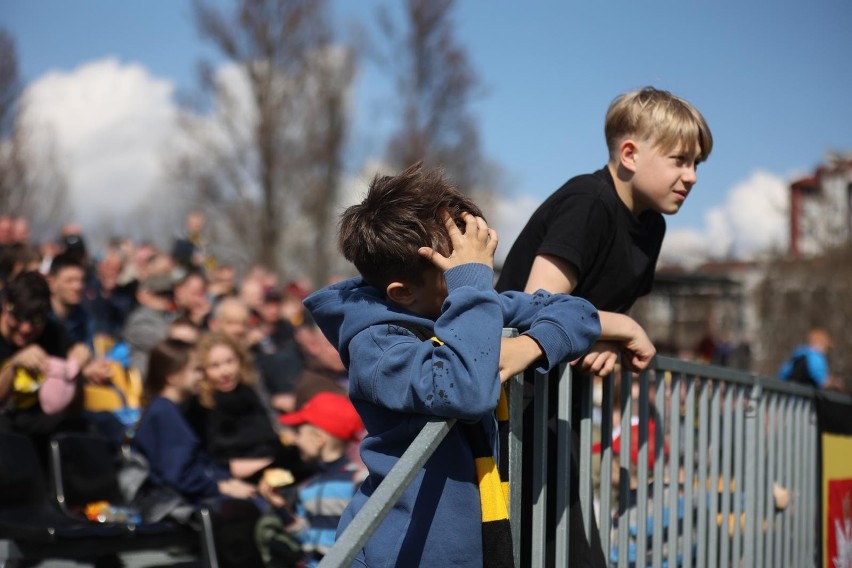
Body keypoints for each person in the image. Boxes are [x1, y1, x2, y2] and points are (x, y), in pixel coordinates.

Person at [305, 162, 654, 567]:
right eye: (455, 276)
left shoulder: (463, 306)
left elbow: (573, 311)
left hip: (473, 542)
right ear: (401, 293)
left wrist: (530, 346)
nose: (477, 285)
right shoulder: (377, 348)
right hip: (405, 550)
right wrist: (469, 284)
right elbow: (464, 389)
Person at [495, 86, 712, 566]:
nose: (692, 176)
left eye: (697, 164)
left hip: (556, 403)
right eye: (680, 160)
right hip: (512, 406)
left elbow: (598, 318)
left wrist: (609, 337)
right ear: (630, 154)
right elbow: (536, 306)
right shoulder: (588, 201)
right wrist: (622, 328)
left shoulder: (651, 227)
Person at [256, 392, 365, 568]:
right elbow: (306, 536)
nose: (295, 440)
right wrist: (279, 507)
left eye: (299, 432)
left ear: (319, 439)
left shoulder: (358, 481)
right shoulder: (308, 487)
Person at [189, 331, 285, 481]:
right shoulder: (199, 406)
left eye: (230, 361)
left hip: (274, 468)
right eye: (215, 366)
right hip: (235, 481)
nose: (226, 371)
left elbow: (270, 436)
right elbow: (212, 460)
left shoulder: (248, 390)